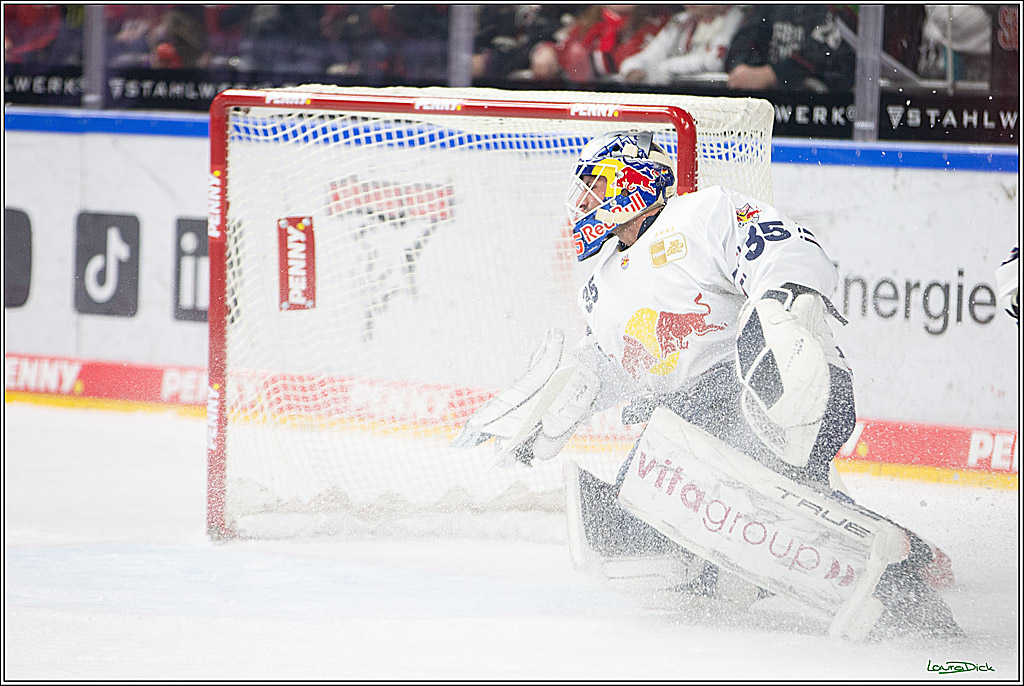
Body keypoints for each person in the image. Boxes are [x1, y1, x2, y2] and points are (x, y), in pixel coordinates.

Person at [455, 130, 962, 640]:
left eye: (596, 183)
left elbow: (787, 252)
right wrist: (568, 389)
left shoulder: (702, 214)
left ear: (634, 178)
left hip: (753, 390)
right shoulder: (598, 281)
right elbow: (619, 360)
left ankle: (906, 583)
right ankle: (728, 575)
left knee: (760, 488)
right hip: (682, 423)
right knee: (626, 531)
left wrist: (784, 305)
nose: (584, 201)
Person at [724, 5, 858, 92]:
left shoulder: (839, 7)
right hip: (771, 104)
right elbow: (743, 42)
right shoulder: (768, 7)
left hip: (822, 108)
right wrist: (740, 67)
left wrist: (774, 74)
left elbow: (833, 55)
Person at [530, 5, 670, 83]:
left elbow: (628, 63)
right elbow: (564, 46)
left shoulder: (661, 23)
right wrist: (546, 51)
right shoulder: (588, 21)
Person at [618, 5, 745, 85]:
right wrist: (632, 68)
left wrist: (664, 69)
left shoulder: (735, 15)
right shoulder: (680, 21)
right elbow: (649, 56)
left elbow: (714, 60)